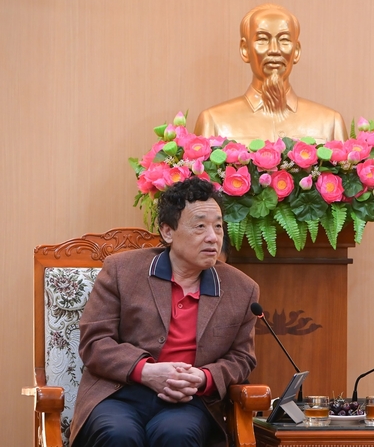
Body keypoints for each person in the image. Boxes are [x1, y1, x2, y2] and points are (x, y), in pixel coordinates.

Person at [70, 177, 260, 447]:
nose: (212, 237)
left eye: (218, 227)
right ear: (168, 232)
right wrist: (145, 371)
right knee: (118, 434)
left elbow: (242, 358)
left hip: (188, 400)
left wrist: (203, 377)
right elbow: (95, 342)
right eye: (200, 227)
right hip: (119, 393)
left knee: (177, 435)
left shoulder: (242, 289)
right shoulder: (122, 271)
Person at [194, 3, 347, 144]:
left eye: (284, 40)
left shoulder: (329, 124)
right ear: (245, 49)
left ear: (297, 51)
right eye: (262, 39)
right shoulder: (214, 122)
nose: (274, 49)